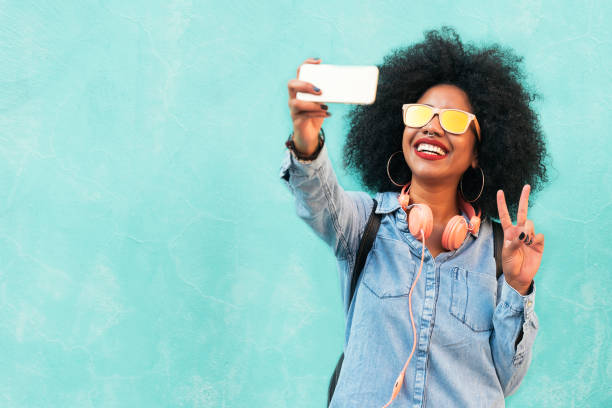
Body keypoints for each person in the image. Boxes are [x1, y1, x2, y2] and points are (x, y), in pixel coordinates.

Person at [280, 27, 548, 408]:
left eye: (454, 120)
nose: (432, 126)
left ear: (477, 151)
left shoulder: (499, 252)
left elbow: (506, 379)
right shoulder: (363, 223)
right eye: (420, 113)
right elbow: (316, 199)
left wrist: (518, 287)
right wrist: (306, 139)